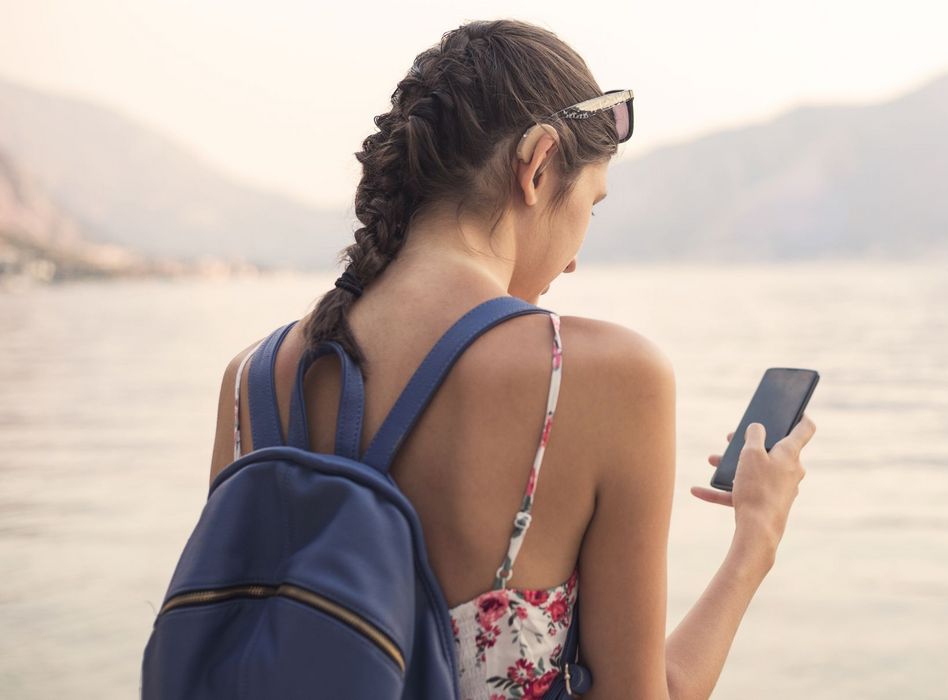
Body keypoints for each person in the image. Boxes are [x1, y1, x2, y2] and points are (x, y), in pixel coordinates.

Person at [208, 18, 815, 700]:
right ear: (536, 166)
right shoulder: (600, 376)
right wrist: (754, 543)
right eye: (591, 204)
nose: (577, 257)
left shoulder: (250, 380)